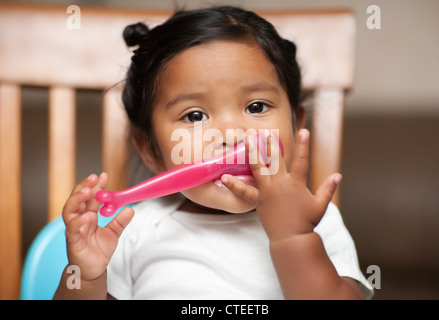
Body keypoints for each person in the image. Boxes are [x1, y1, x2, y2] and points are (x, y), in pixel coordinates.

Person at [54, 6, 372, 300]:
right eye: (194, 116)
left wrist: (294, 236)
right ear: (151, 151)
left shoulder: (316, 219)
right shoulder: (134, 229)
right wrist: (86, 278)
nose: (233, 135)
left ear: (295, 123)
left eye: (256, 106)